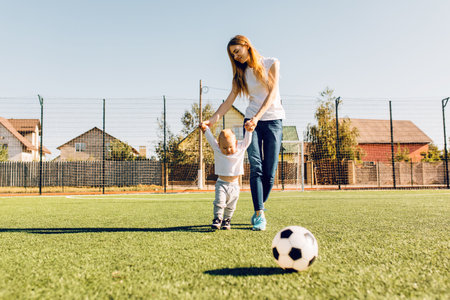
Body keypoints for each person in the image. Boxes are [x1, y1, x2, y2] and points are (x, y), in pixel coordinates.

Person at [201, 35, 285, 231]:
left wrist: (259, 116)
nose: (236, 57)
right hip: (251, 123)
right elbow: (229, 100)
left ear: (246, 46)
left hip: (273, 120)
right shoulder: (240, 75)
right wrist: (212, 120)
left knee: (270, 173)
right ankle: (259, 214)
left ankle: (259, 205)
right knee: (256, 166)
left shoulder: (271, 63)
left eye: (237, 51)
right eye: (233, 55)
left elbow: (272, 93)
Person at [200, 124, 252, 230]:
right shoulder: (217, 149)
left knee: (231, 205)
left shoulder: (240, 148)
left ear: (236, 143)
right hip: (221, 184)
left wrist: (249, 131)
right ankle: (218, 218)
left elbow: (247, 141)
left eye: (230, 147)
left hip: (235, 185)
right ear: (219, 145)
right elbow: (210, 139)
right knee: (219, 202)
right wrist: (206, 129)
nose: (228, 150)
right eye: (224, 147)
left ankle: (227, 220)